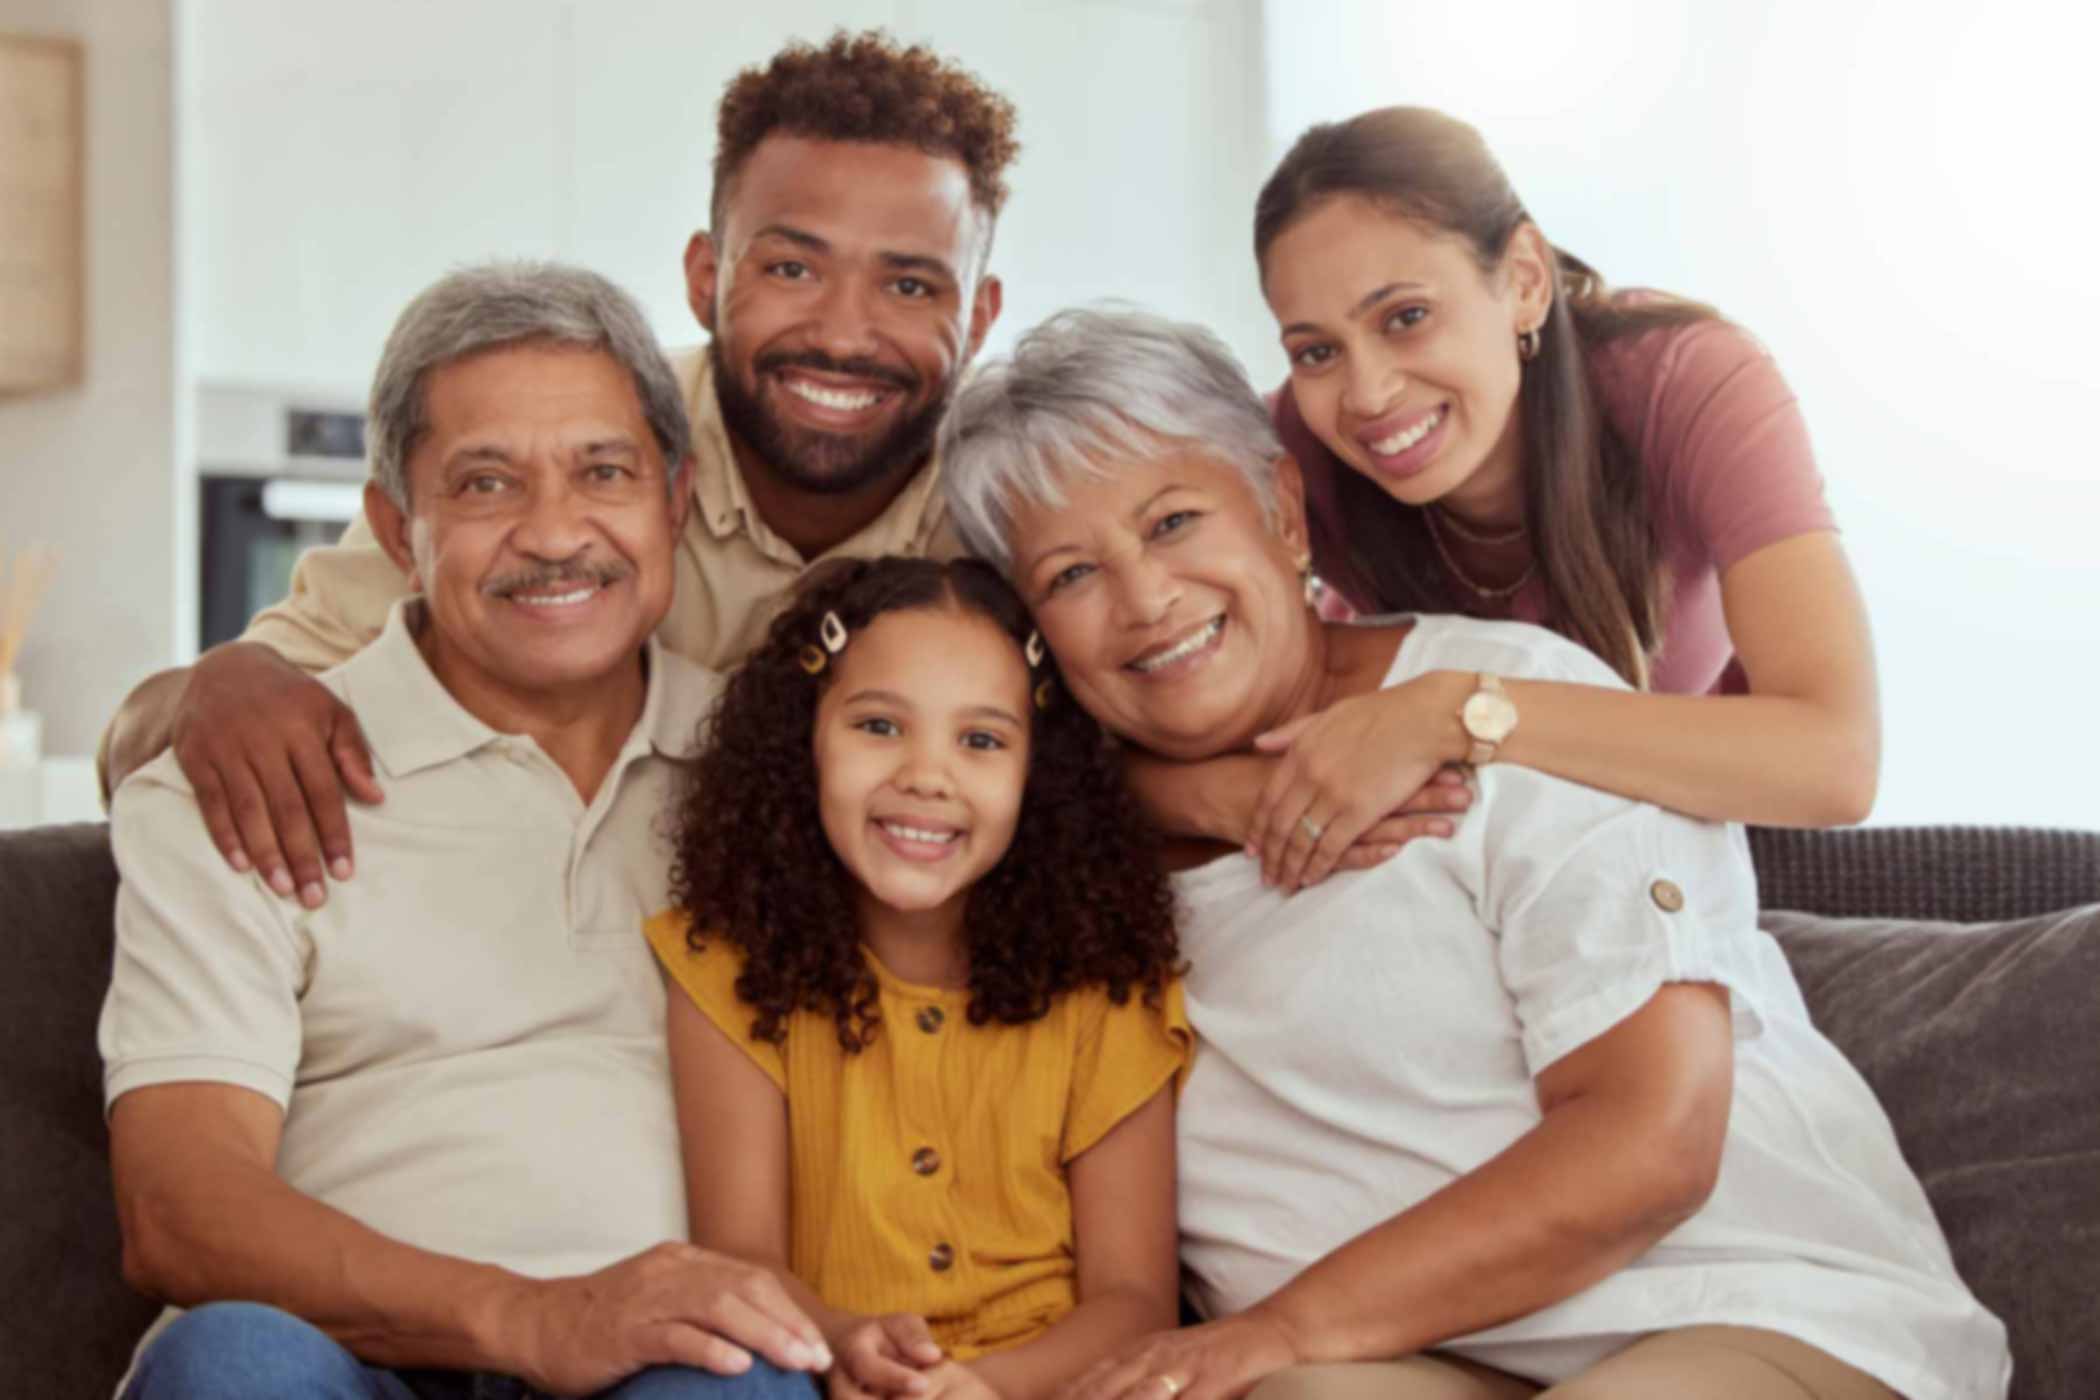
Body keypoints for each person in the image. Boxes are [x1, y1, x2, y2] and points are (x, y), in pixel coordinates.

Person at [936, 306, 2009, 1400]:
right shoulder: (1041, 849)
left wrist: (1271, 1328)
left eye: (1173, 521)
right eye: (1070, 575)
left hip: (1752, 1306)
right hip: (1404, 1358)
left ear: (1283, 513)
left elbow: (1655, 1145)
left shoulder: (1507, 710)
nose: (1146, 598)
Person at [99, 263, 834, 1400]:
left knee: (737, 1376)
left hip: (674, 1364)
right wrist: (531, 1316)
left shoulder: (791, 772)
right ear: (398, 525)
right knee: (226, 1361)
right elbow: (178, 1211)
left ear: (674, 500)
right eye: (486, 483)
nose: (554, 534)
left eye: (604, 472)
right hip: (341, 1356)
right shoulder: (245, 781)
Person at [98, 30, 1018, 909]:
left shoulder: (1016, 513)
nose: (842, 333)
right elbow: (160, 735)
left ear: (979, 316)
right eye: (789, 268)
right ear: (706, 277)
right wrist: (215, 690)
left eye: (909, 286)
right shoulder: (581, 444)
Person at [1130, 105, 1881, 893]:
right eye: (1316, 350)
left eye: (1407, 317)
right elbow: (1086, 718)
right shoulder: (1296, 450)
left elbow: (1837, 761)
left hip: (1706, 859)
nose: (1368, 393)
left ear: (1523, 280)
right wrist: (1221, 797)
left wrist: (1457, 714)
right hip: (1450, 876)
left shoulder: (1686, 383)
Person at [646, 556, 1189, 1400]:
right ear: (805, 743)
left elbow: (1136, 1301)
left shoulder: (1106, 983)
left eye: (981, 741)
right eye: (879, 726)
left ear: (1034, 775)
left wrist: (984, 1388)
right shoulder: (725, 965)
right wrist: (844, 1342)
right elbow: (744, 1259)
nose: (927, 776)